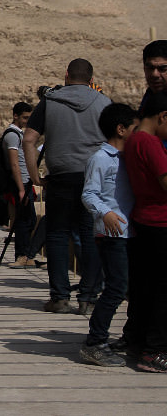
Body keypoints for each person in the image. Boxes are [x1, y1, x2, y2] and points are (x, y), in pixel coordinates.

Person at [24, 58, 110, 314]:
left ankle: (60, 297)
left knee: (58, 234)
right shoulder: (104, 103)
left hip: (60, 176)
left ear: (66, 75)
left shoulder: (50, 101)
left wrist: (35, 176)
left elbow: (29, 140)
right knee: (90, 235)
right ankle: (89, 296)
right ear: (91, 79)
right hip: (94, 177)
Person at [78, 103, 139, 367]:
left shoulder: (129, 158)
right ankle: (95, 341)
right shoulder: (101, 158)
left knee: (127, 287)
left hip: (129, 232)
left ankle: (127, 336)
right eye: (135, 128)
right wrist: (106, 213)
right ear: (121, 129)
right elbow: (89, 193)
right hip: (112, 231)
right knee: (115, 289)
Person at [122, 92, 167, 372]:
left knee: (146, 288)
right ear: (163, 116)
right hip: (161, 221)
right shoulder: (150, 143)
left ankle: (138, 341)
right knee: (163, 292)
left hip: (145, 220)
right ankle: (156, 351)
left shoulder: (134, 140)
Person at [1, 102, 39, 268]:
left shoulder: (20, 134)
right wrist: (22, 189)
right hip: (20, 183)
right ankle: (21, 255)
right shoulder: (12, 135)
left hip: (25, 181)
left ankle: (27, 254)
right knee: (23, 220)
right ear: (15, 116)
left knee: (29, 219)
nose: (26, 121)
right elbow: (15, 163)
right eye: (24, 117)